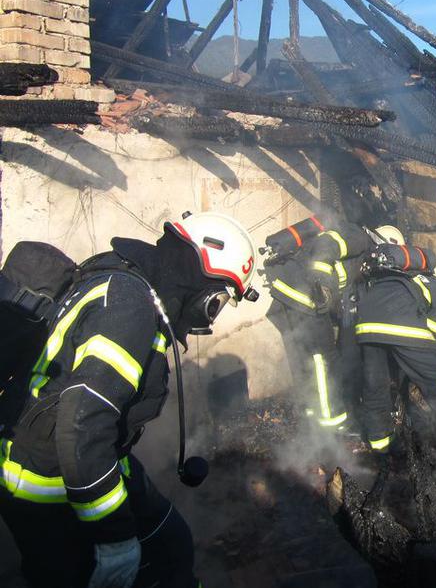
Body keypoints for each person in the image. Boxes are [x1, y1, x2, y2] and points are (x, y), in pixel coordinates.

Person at [0, 211, 258, 588]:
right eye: (218, 301)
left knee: (171, 546)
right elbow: (83, 426)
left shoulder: (122, 280)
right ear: (203, 278)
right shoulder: (130, 303)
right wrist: (115, 539)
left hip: (94, 460)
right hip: (52, 484)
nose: (210, 319)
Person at [355, 259, 436, 461]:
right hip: (402, 325)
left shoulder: (410, 281)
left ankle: (380, 445)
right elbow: (431, 342)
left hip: (366, 322)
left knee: (376, 384)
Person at [263, 214, 379, 429]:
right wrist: (323, 285)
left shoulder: (357, 249)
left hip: (287, 293)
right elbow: (326, 246)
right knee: (324, 359)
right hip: (306, 296)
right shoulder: (359, 237)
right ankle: (331, 422)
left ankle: (311, 413)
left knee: (303, 356)